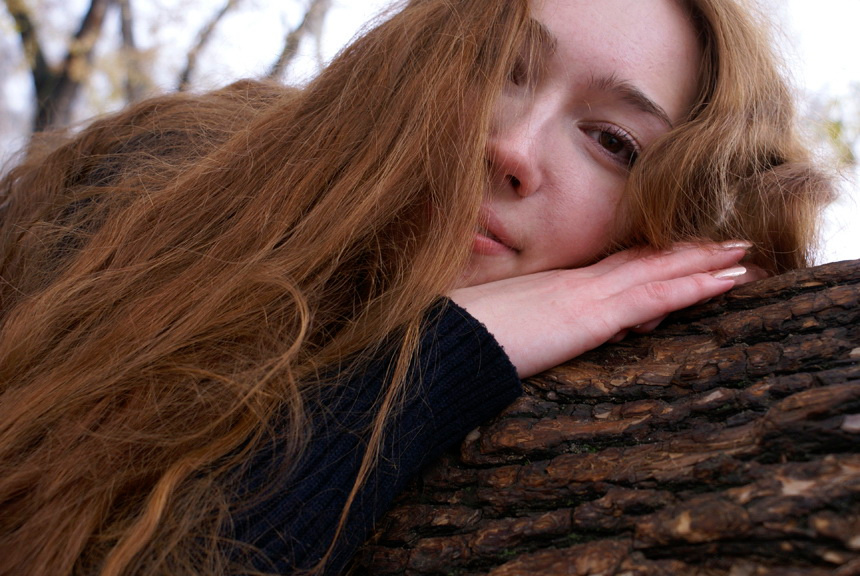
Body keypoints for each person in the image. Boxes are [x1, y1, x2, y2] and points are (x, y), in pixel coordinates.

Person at [0, 0, 833, 574]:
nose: (512, 148)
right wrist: (449, 349)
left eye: (613, 142)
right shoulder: (151, 183)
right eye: (494, 66)